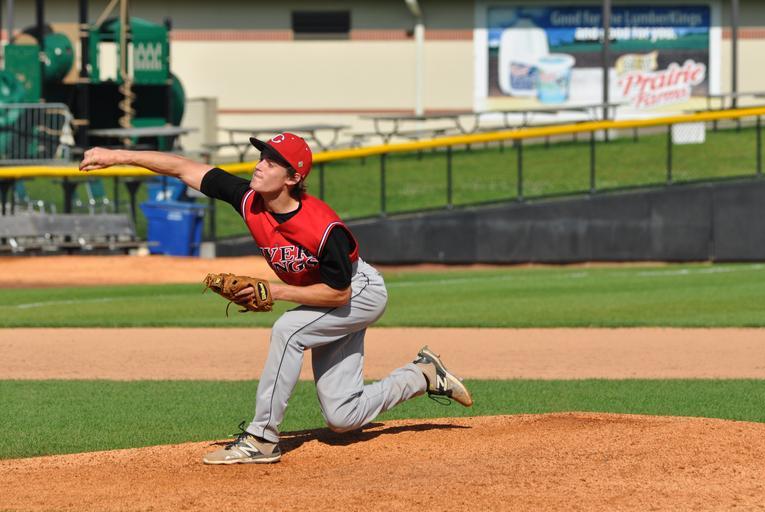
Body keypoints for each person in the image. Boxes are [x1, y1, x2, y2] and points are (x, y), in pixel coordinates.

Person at [79, 132, 472, 465]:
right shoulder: (249, 200)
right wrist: (117, 156)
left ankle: (262, 438)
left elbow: (340, 292)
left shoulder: (323, 227)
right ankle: (422, 375)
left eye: (272, 161)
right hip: (326, 297)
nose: (260, 165)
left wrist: (276, 291)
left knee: (288, 330)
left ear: (293, 177)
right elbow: (183, 168)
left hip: (359, 292)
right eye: (262, 156)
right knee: (343, 416)